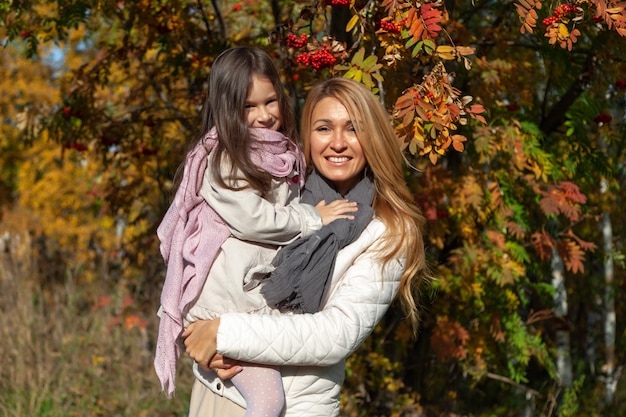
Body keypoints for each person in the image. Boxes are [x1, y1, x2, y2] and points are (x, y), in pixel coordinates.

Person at [182, 77, 430, 416]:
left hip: (292, 408)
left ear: (373, 137)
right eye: (324, 128)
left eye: (353, 129)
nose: (338, 143)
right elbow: (217, 262)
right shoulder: (286, 198)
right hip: (220, 390)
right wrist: (201, 335)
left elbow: (334, 336)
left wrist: (224, 333)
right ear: (308, 136)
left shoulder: (388, 229)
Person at [154, 47, 357, 417]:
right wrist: (312, 218)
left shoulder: (281, 154)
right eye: (250, 107)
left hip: (244, 311)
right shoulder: (227, 157)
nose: (264, 116)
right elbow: (254, 219)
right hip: (224, 310)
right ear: (227, 109)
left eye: (271, 101)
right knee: (267, 401)